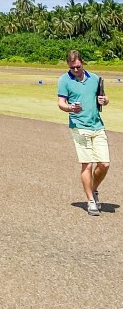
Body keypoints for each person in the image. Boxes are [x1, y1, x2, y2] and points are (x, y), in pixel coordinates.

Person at [57, 49, 110, 216]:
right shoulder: (64, 80)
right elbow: (61, 103)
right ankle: (90, 201)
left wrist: (104, 100)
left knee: (104, 164)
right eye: (72, 67)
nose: (75, 70)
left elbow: (104, 98)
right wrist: (70, 107)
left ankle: (93, 189)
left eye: (78, 67)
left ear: (82, 63)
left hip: (97, 125)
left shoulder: (94, 79)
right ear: (68, 65)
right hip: (79, 126)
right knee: (87, 164)